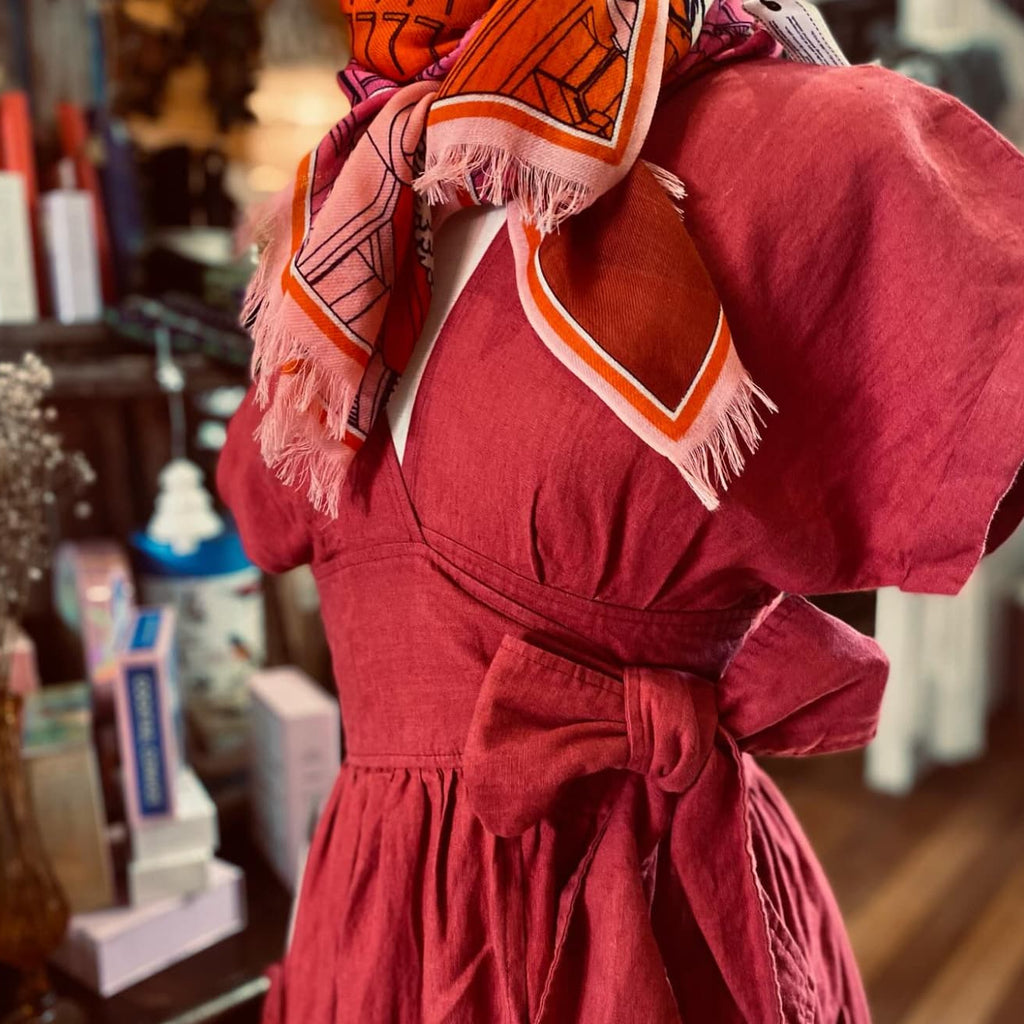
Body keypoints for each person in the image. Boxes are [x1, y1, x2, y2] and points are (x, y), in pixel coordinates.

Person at [218, 1, 1024, 1020]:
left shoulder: (810, 145)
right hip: (371, 935)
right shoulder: (348, 212)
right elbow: (270, 505)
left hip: (648, 932)